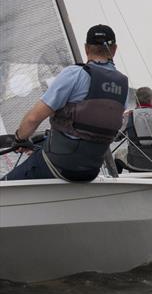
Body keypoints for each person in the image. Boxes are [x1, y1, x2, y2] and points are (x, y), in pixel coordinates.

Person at [3, 25, 128, 181]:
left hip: (61, 165)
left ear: (86, 48)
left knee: (5, 186)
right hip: (90, 170)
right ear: (114, 49)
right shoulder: (123, 85)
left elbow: (33, 119)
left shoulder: (75, 74)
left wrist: (19, 139)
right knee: (40, 145)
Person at [114, 86, 152, 172]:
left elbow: (115, 138)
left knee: (119, 153)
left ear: (136, 101)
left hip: (134, 165)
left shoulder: (128, 116)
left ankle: (119, 180)